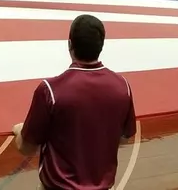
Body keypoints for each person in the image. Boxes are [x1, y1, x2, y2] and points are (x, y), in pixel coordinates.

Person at [13, 15, 136, 190]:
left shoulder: (50, 90)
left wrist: (19, 130)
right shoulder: (122, 87)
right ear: (101, 45)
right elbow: (123, 139)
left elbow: (26, 148)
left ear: (70, 44)